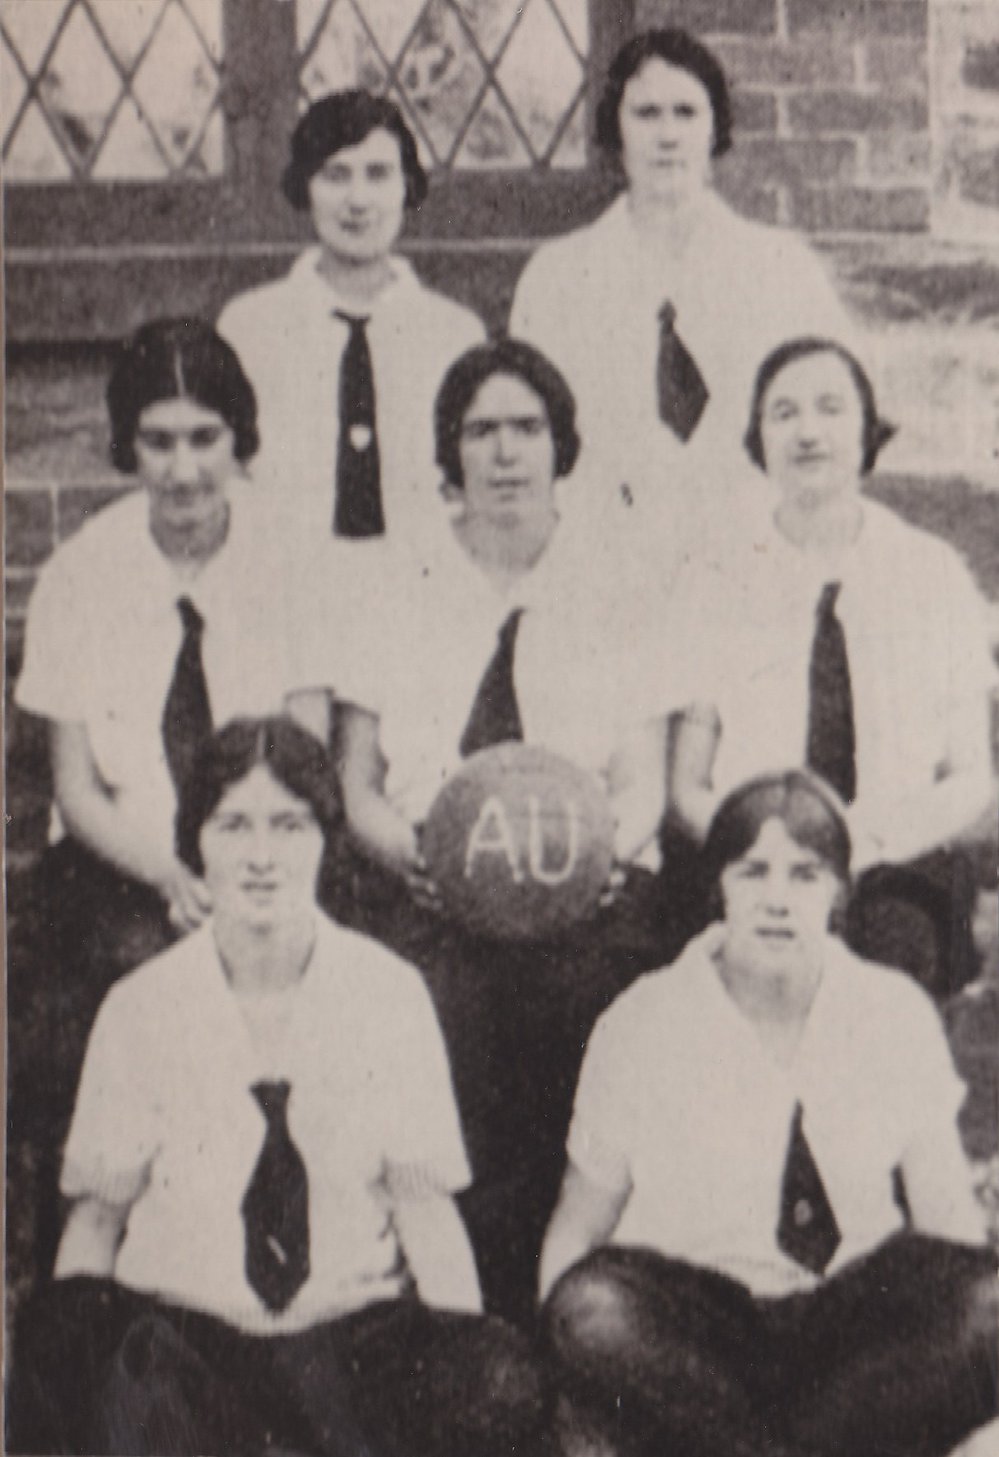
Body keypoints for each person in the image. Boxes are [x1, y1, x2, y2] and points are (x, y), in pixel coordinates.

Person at [7, 717, 548, 1457]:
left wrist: (460, 1359)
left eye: (289, 826)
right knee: (63, 1335)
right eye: (233, 825)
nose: (261, 857)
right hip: (187, 1338)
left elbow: (426, 1214)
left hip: (345, 1335)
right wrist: (77, 1368)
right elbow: (96, 1224)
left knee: (495, 1375)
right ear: (195, 839)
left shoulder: (388, 993)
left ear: (326, 838)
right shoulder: (141, 1005)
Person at [297, 338, 688, 1323]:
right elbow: (360, 781)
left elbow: (641, 780)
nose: (505, 453)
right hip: (431, 883)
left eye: (527, 428)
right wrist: (413, 857)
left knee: (592, 1004)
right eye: (481, 431)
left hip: (589, 890)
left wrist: (598, 860)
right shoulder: (397, 580)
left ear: (562, 447)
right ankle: (460, 1312)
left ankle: (571, 1294)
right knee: (434, 1008)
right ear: (450, 451)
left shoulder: (621, 580)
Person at [539, 771, 998, 1457]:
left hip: (848, 1327)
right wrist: (564, 1354)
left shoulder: (891, 1009)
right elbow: (577, 1228)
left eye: (805, 874)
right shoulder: (641, 1020)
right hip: (701, 1332)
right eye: (752, 872)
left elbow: (945, 1232)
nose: (776, 900)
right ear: (718, 885)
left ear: (839, 891)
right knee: (588, 1311)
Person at [11, 317, 307, 1275]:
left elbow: (305, 759)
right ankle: (81, 1276)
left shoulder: (289, 560)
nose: (182, 470)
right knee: (100, 995)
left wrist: (240, 868)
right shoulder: (83, 573)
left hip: (267, 853)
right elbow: (76, 785)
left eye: (205, 438)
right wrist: (171, 871)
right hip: (121, 858)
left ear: (240, 441)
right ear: (125, 447)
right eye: (158, 441)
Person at [669, 336, 997, 996]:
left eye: (829, 408)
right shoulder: (714, 580)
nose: (807, 431)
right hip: (751, 863)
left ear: (866, 428)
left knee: (886, 951)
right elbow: (687, 785)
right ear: (758, 438)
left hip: (897, 860)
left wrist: (875, 837)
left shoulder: (929, 573)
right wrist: (762, 854)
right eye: (783, 412)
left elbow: (970, 777)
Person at [509, 27, 857, 571]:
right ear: (614, 130)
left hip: (754, 567)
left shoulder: (783, 271)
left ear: (715, 127)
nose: (666, 136)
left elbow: (841, 434)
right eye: (646, 114)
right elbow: (531, 444)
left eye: (686, 113)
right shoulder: (557, 279)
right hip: (603, 565)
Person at [217, 88, 484, 545]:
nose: (358, 200)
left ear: (407, 187)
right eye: (336, 175)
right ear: (306, 187)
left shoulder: (454, 334)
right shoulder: (249, 328)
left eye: (378, 175)